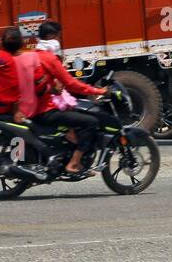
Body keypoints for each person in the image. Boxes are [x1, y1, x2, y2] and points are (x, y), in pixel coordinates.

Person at [19, 21, 106, 175]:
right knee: (91, 122)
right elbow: (71, 83)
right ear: (51, 37)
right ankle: (73, 164)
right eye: (58, 36)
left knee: (74, 115)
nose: (59, 40)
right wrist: (97, 91)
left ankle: (69, 139)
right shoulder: (49, 58)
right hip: (46, 110)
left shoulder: (32, 55)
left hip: (32, 108)